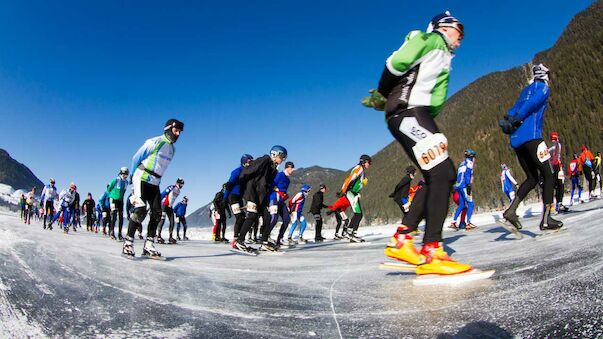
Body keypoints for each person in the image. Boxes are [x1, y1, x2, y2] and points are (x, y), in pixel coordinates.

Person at [368, 11, 475, 275]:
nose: (462, 36)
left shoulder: (443, 53)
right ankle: (432, 252)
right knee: (444, 173)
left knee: (434, 175)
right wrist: (383, 94)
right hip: (408, 112)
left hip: (416, 115)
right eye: (458, 29)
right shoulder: (431, 40)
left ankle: (403, 239)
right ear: (443, 27)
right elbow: (395, 63)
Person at [498, 63, 562, 233]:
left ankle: (511, 211)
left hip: (518, 141)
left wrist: (508, 118)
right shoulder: (543, 88)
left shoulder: (525, 90)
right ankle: (547, 219)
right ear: (545, 74)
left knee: (532, 178)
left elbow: (516, 107)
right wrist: (518, 117)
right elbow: (532, 104)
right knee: (549, 175)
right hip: (533, 137)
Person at [122, 118, 183, 259]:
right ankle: (128, 243)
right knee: (140, 210)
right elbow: (136, 157)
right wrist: (132, 175)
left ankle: (148, 245)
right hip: (142, 177)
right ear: (168, 129)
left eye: (180, 131)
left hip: (155, 183)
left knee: (157, 213)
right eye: (176, 130)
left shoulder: (172, 150)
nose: (178, 134)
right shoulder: (155, 142)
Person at [233, 145, 286, 254]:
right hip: (252, 192)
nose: (283, 159)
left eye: (284, 157)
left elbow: (267, 185)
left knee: (267, 217)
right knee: (252, 216)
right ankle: (239, 241)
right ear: (275, 154)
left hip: (260, 196)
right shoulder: (264, 160)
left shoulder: (274, 169)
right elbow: (248, 171)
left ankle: (264, 242)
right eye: (282, 156)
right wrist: (243, 184)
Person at [339, 155, 371, 242]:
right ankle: (352, 234)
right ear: (364, 162)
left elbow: (357, 181)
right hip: (351, 193)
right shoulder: (359, 168)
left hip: (354, 193)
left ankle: (350, 233)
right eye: (369, 162)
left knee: (358, 214)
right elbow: (349, 179)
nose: (370, 164)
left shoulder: (362, 170)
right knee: (358, 214)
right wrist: (343, 190)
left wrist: (363, 182)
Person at [224, 154, 254, 241]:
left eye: (252, 162)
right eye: (249, 162)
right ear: (244, 162)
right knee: (239, 217)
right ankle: (236, 238)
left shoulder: (249, 173)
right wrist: (225, 198)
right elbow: (228, 186)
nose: (251, 164)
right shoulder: (237, 171)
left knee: (244, 217)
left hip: (240, 197)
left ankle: (241, 237)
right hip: (232, 196)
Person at [267, 161, 295, 247]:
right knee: (274, 218)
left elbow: (283, 190)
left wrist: (285, 195)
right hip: (274, 198)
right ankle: (265, 236)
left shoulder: (288, 180)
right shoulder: (279, 175)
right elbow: (270, 185)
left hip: (281, 201)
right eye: (292, 168)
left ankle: (279, 239)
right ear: (288, 167)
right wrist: (276, 190)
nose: (293, 170)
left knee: (287, 219)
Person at [450, 149, 477, 230]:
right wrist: (468, 185)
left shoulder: (462, 163)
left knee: (462, 204)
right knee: (471, 203)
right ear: (472, 156)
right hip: (464, 185)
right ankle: (468, 223)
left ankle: (453, 222)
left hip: (458, 186)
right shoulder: (469, 163)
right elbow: (467, 174)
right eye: (474, 157)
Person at [156, 178, 184, 244]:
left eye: (182, 185)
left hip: (169, 207)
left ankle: (170, 237)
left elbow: (172, 199)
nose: (182, 186)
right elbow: (162, 194)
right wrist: (157, 204)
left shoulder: (179, 191)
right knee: (162, 220)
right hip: (164, 205)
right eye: (181, 184)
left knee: (172, 221)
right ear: (177, 183)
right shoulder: (171, 187)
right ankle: (159, 236)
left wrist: (170, 205)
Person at [107, 167, 130, 240]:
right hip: (113, 199)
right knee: (114, 216)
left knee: (121, 217)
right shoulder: (116, 180)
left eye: (126, 174)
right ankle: (111, 232)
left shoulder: (126, 182)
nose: (125, 176)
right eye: (123, 174)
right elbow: (109, 189)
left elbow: (123, 192)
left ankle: (120, 234)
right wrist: (111, 196)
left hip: (120, 200)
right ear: (121, 173)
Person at [548, 132, 567, 211]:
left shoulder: (549, 146)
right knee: (560, 185)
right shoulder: (557, 145)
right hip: (557, 166)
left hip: (551, 167)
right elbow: (556, 154)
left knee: (555, 186)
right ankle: (559, 203)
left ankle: (555, 204)